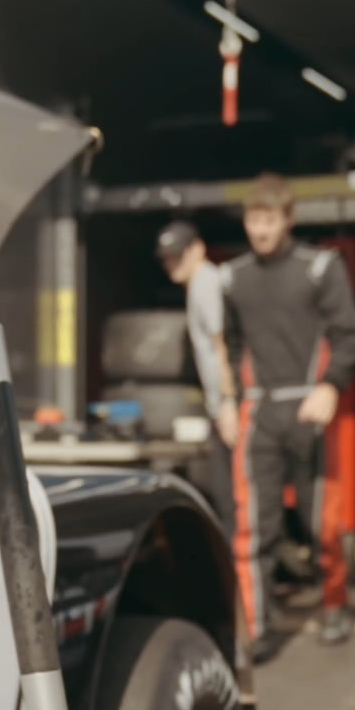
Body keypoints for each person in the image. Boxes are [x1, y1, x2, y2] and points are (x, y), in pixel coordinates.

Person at [219, 174, 355, 663]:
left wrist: (330, 386)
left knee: (322, 520)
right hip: (260, 410)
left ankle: (335, 603)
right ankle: (257, 630)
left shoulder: (320, 269)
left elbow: (349, 335)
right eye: (252, 220)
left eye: (268, 220)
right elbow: (232, 346)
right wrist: (229, 400)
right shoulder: (233, 278)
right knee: (253, 525)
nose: (259, 230)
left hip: (312, 407)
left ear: (288, 220)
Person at [155, 220, 238, 533]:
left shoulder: (206, 284)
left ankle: (239, 577)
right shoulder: (199, 285)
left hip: (229, 407)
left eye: (178, 254)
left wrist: (229, 403)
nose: (171, 263)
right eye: (166, 257)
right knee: (226, 495)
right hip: (221, 407)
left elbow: (224, 343)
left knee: (230, 499)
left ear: (198, 249)